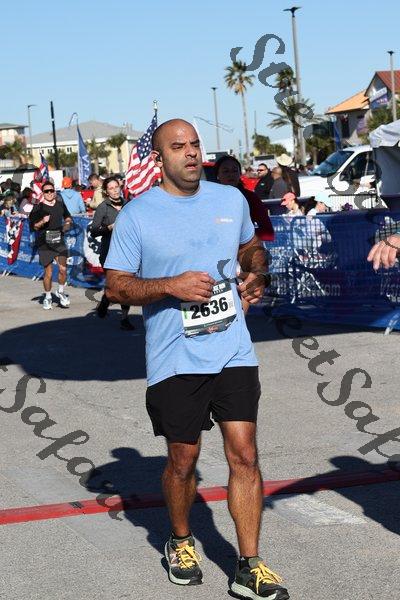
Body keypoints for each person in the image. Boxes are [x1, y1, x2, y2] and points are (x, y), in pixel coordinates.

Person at [104, 119, 289, 600]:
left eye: (194, 144)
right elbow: (116, 286)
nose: (189, 153)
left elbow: (250, 249)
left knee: (244, 454)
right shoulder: (138, 215)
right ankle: (181, 539)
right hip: (175, 356)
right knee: (183, 461)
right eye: (178, 146)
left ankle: (249, 565)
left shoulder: (230, 200)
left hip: (233, 348)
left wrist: (256, 274)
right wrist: (170, 285)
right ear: (159, 158)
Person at [90, 176, 134, 331]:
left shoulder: (128, 205)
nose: (115, 191)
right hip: (109, 251)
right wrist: (109, 227)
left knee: (125, 284)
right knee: (115, 283)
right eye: (111, 188)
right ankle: (106, 298)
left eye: (116, 187)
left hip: (127, 251)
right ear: (106, 192)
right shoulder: (103, 207)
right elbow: (94, 231)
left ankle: (124, 318)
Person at [29, 182, 72, 310]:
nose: (49, 193)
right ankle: (47, 297)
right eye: (46, 191)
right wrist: (43, 221)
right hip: (45, 243)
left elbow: (68, 216)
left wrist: (67, 223)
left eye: (51, 190)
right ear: (43, 193)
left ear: (54, 191)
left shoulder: (60, 204)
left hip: (59, 241)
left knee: (63, 268)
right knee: (49, 272)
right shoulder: (38, 208)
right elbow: (34, 227)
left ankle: (60, 291)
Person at [214, 155, 274, 242]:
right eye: (226, 171)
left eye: (235, 171)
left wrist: (243, 235)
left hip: (244, 249)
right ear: (217, 175)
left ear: (240, 174)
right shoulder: (209, 199)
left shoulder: (250, 198)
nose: (231, 175)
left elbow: (268, 233)